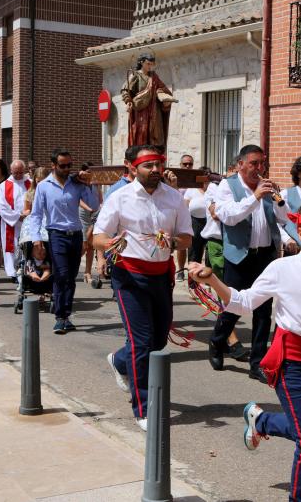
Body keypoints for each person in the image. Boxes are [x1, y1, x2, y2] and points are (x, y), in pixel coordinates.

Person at [188, 200, 301, 502]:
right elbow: (242, 301)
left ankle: (260, 421)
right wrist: (211, 278)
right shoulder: (281, 268)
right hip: (290, 362)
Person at [94, 144, 192, 431]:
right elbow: (98, 236)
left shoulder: (173, 198)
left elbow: (186, 236)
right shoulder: (120, 197)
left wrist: (174, 243)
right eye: (148, 165)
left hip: (161, 275)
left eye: (158, 164)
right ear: (132, 167)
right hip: (129, 277)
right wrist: (109, 244)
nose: (155, 170)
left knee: (158, 340)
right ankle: (143, 408)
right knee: (141, 342)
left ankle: (119, 360)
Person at [208, 144, 290, 382]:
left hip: (265, 255)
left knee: (263, 311)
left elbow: (283, 219)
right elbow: (230, 216)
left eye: (262, 163)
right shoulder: (226, 186)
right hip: (239, 255)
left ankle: (257, 364)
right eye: (254, 163)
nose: (259, 168)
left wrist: (277, 201)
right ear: (241, 164)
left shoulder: (266, 188)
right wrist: (255, 197)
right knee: (234, 306)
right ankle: (217, 341)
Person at [28, 149, 98, 334]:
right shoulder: (44, 186)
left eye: (69, 165)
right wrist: (36, 239)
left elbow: (94, 205)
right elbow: (35, 215)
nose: (67, 169)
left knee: (71, 277)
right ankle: (61, 316)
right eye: (63, 165)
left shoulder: (77, 184)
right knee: (62, 275)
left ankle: (65, 313)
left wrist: (88, 184)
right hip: (56, 234)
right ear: (54, 166)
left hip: (75, 234)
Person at [197, 157, 249, 361]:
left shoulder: (248, 189)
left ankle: (222, 338)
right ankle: (231, 340)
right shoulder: (215, 187)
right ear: (231, 169)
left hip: (239, 245)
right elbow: (217, 213)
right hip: (218, 243)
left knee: (238, 293)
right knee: (225, 292)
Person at [121, 52, 175, 148]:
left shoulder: (154, 77)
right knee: (142, 131)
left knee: (155, 132)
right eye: (148, 64)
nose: (150, 66)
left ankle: (154, 151)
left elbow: (162, 88)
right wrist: (128, 102)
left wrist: (162, 96)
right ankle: (140, 151)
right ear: (142, 62)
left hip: (154, 110)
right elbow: (126, 90)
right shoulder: (135, 75)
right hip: (141, 110)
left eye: (152, 64)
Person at [0, 160, 31, 278]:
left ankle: (26, 270)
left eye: (20, 172)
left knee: (27, 246)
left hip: (28, 222)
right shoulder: (4, 185)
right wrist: (18, 216)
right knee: (12, 246)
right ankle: (12, 272)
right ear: (11, 171)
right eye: (15, 173)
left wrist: (28, 215)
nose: (18, 175)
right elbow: (1, 206)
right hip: (11, 223)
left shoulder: (30, 183)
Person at [79, 162, 103, 284]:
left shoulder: (95, 183)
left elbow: (99, 197)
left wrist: (101, 207)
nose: (90, 174)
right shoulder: (79, 184)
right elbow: (77, 199)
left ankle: (87, 272)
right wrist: (88, 208)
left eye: (91, 172)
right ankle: (72, 268)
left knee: (91, 244)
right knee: (84, 243)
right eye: (88, 172)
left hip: (95, 213)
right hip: (83, 213)